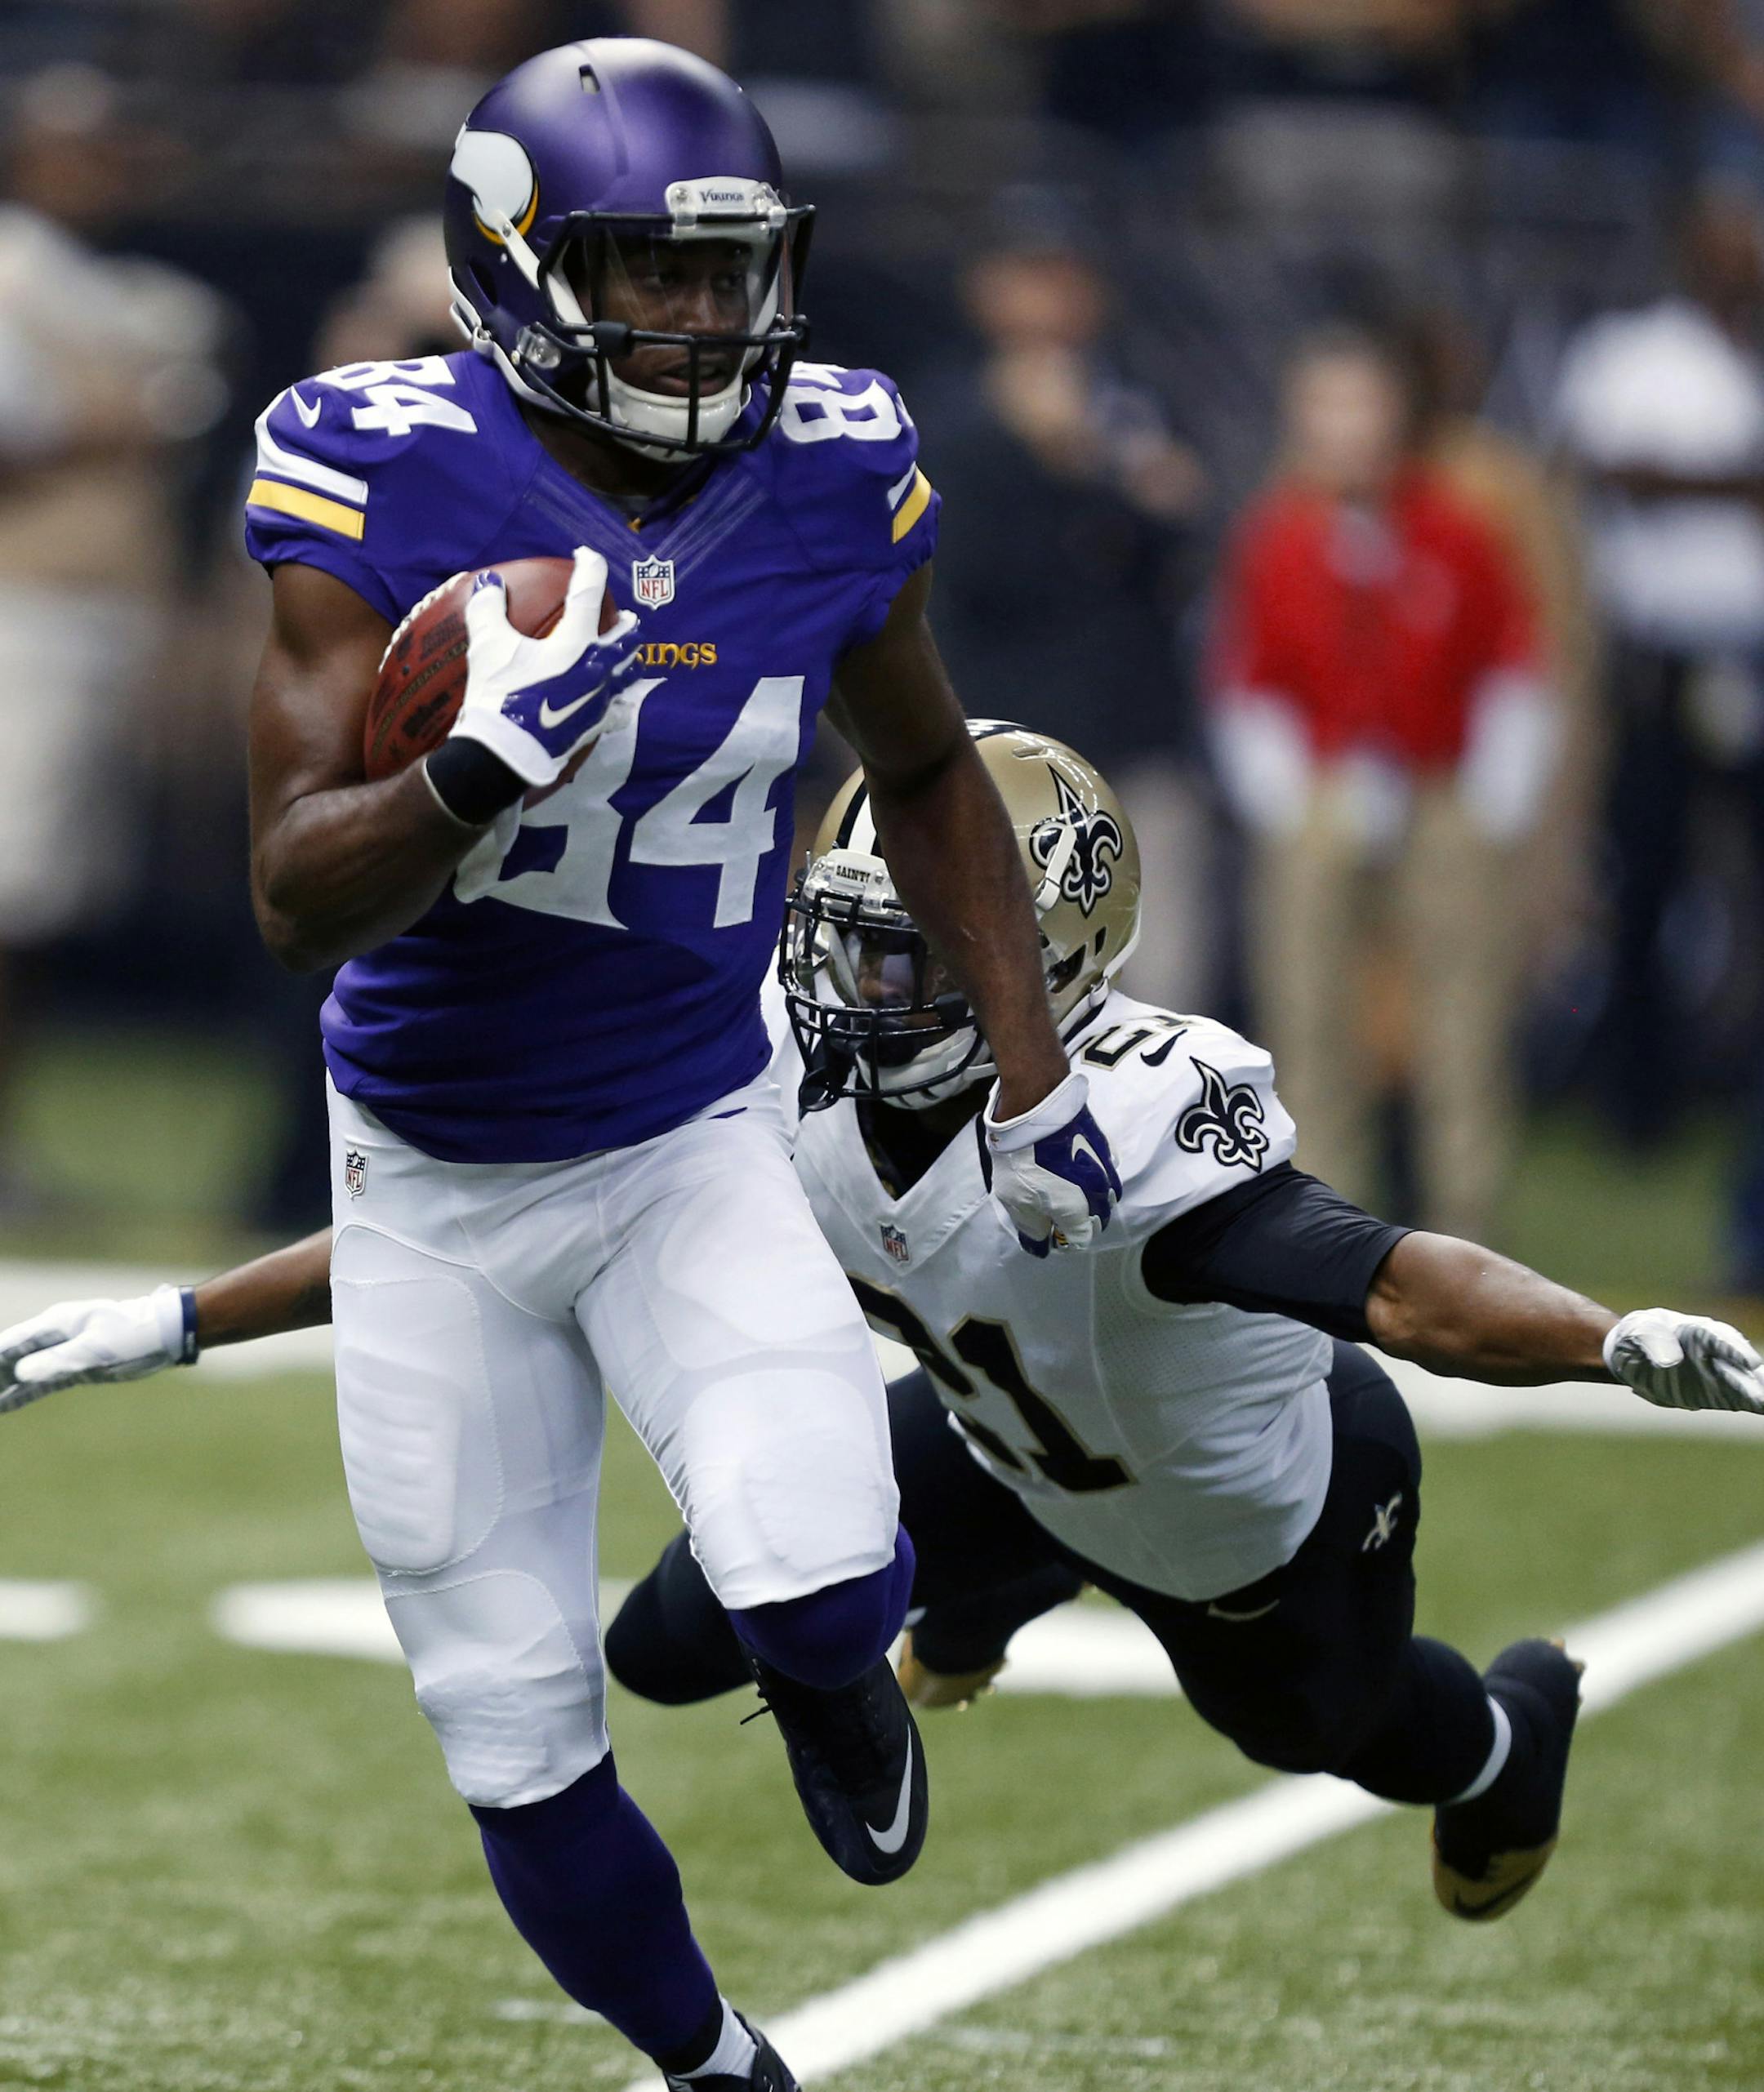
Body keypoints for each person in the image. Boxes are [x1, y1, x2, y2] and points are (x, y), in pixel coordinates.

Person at [40, 40, 1127, 2092]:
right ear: (517, 267)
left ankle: (838, 1683)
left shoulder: (827, 461)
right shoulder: (378, 467)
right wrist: (469, 763)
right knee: (517, 1739)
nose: (703, 321)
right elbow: (292, 903)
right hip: (430, 1187)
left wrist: (1029, 1067)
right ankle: (718, 2066)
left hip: (680, 1134)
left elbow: (923, 766)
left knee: (815, 1582)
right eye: (651, 277)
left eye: (729, 276)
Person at [8, 727, 1760, 1935]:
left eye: (916, 959)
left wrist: (1606, 1342)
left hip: (1245, 1516)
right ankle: (976, 1603)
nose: (863, 993)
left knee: (1327, 1737)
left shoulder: (1146, 1115)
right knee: (673, 1646)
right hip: (1002, 1454)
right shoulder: (780, 1064)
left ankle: (1514, 1738)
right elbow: (467, 1220)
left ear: (1049, 955)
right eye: (854, 945)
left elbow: (1391, 1282)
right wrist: (177, 1318)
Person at [1210, 325, 1561, 1242]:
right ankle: (1325, 1213)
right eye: (1323, 406)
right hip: (1324, 788)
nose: (1343, 428)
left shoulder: (1457, 526)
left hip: (1441, 785)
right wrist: (1284, 787)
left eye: (1359, 403)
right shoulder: (1278, 533)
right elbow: (1247, 672)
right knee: (1309, 1001)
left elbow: (1511, 657)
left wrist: (1497, 784)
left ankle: (1465, 1217)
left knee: (1462, 1011)